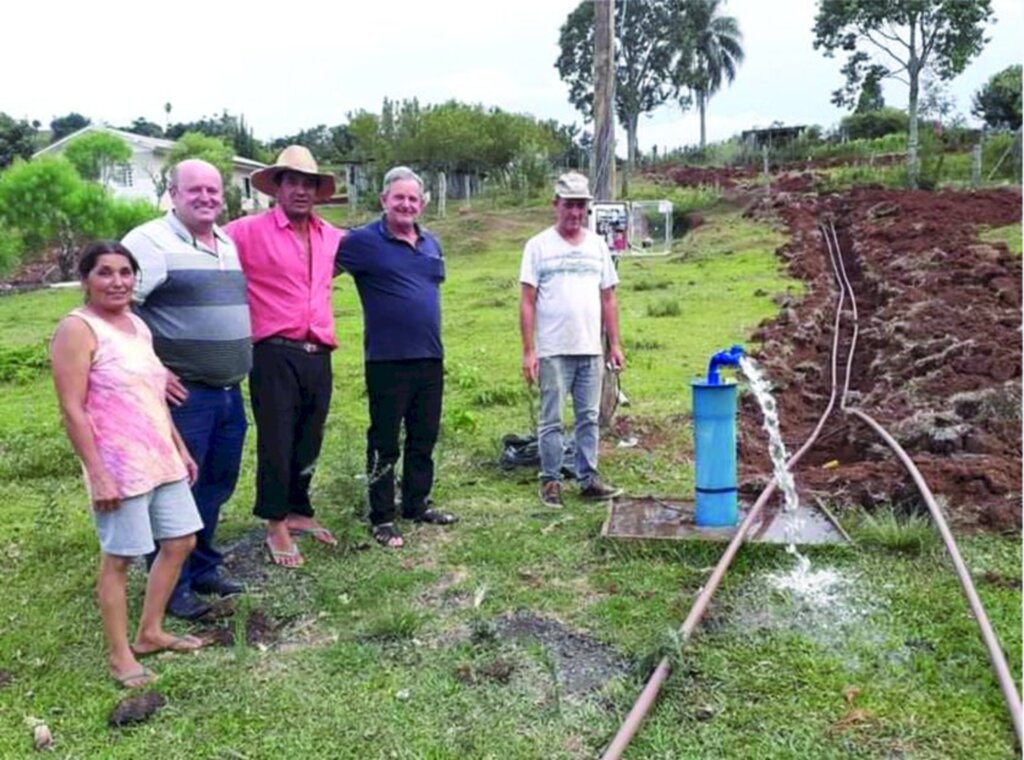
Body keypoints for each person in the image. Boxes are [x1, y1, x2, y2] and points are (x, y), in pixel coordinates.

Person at [51, 241, 205, 689]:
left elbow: (153, 393)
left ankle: (150, 631)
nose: (117, 281)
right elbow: (72, 409)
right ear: (86, 280)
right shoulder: (77, 330)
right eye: (104, 272)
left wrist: (179, 445)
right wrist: (97, 472)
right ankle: (120, 656)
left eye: (125, 272)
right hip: (117, 464)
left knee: (180, 540)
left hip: (159, 455)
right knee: (119, 558)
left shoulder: (137, 325)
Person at [123, 159, 251, 620]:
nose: (206, 198)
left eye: (214, 190)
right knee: (178, 490)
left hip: (229, 392)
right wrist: (154, 369)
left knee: (216, 483)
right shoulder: (147, 241)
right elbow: (115, 309)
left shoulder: (225, 243)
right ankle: (170, 586)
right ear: (172, 192)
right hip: (184, 397)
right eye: (194, 190)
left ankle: (202, 567)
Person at [225, 146, 343, 567]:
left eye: (308, 183)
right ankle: (274, 521)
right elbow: (209, 250)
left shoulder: (330, 236)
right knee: (277, 436)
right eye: (292, 181)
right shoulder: (244, 232)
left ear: (317, 191)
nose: (301, 190)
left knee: (310, 435)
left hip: (319, 352)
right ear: (277, 187)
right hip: (273, 351)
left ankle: (298, 509)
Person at [336, 166, 457, 549]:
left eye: (413, 199)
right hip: (386, 360)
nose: (406, 204)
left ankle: (416, 503)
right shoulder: (361, 242)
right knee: (385, 439)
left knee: (424, 436)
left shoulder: (431, 244)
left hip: (430, 357)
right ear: (384, 200)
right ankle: (382, 516)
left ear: (422, 204)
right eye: (399, 197)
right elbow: (319, 272)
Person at [519, 171, 625, 507]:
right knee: (551, 419)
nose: (575, 213)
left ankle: (588, 477)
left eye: (581, 206)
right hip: (552, 350)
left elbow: (608, 297)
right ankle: (550, 480)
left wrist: (615, 345)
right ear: (556, 205)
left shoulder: (597, 246)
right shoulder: (538, 246)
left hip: (590, 349)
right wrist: (529, 351)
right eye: (569, 205)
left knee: (588, 417)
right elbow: (527, 299)